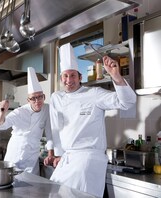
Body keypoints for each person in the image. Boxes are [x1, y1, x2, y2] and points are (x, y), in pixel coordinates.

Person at [44, 43, 137, 197]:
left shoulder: (94, 93)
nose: (69, 80)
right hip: (68, 158)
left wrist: (116, 76)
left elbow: (127, 102)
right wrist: (57, 154)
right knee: (53, 193)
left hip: (88, 160)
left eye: (73, 75)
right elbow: (56, 126)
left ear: (80, 77)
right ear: (61, 78)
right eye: (65, 76)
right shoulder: (56, 97)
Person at [0, 67, 54, 175]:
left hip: (32, 157)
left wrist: (50, 153)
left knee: (33, 186)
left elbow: (50, 132)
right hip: (15, 154)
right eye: (33, 98)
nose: (37, 101)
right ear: (28, 100)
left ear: (44, 96)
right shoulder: (19, 112)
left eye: (40, 97)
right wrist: (2, 111)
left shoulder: (46, 108)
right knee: (10, 184)